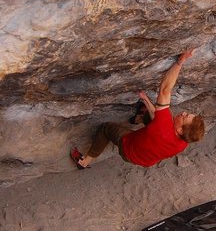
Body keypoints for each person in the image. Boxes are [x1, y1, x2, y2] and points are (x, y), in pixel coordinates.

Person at [70, 49, 205, 169]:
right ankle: (139, 117)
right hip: (145, 160)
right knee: (150, 113)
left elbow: (165, 89)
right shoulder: (183, 142)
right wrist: (145, 99)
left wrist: (181, 61)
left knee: (106, 128)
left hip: (128, 150)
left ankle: (84, 162)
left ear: (180, 129)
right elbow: (158, 120)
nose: (183, 113)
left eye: (185, 116)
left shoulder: (164, 125)